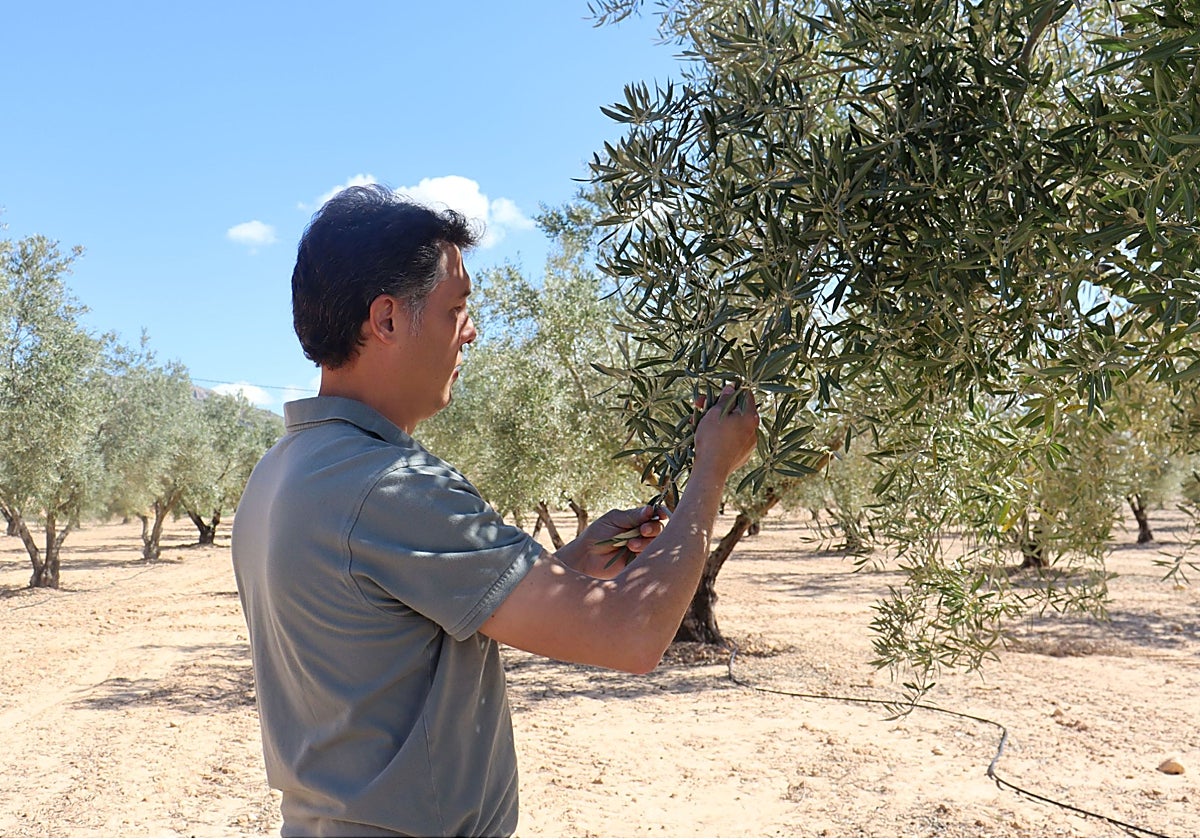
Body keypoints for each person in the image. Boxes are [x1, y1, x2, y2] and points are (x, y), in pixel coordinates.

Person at [231, 184, 759, 837]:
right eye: (457, 309)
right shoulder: (390, 487)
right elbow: (632, 634)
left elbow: (394, 640)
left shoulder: (282, 472)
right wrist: (713, 470)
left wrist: (569, 566)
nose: (471, 332)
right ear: (388, 320)